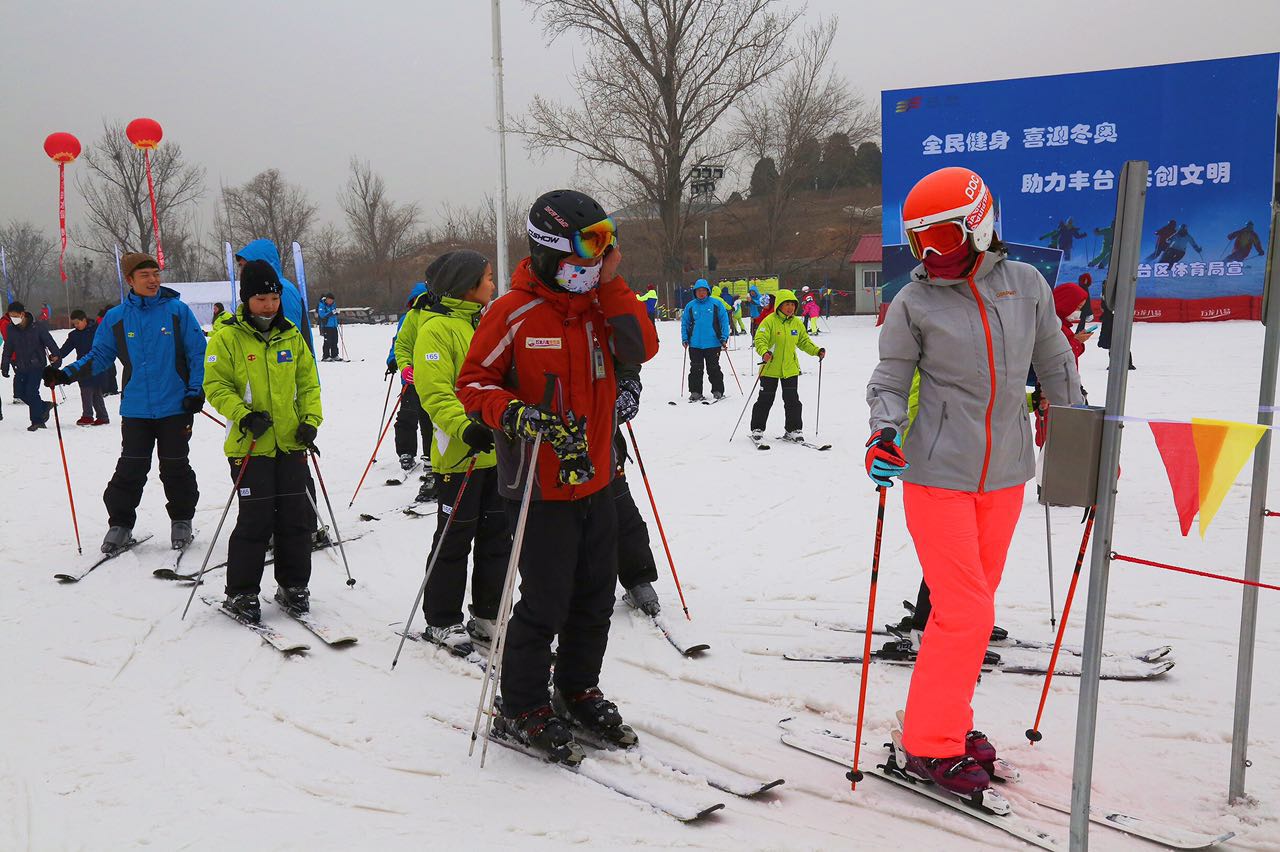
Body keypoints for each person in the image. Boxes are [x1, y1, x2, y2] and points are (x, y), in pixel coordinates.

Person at [865, 165, 1082, 800]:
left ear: (980, 225)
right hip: (936, 475)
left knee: (969, 613)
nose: (933, 254)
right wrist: (883, 432)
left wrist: (1071, 430)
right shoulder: (914, 302)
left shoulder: (1026, 286)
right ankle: (930, 743)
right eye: (920, 241)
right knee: (965, 611)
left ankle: (952, 721)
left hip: (1006, 474)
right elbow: (889, 379)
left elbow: (1055, 360)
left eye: (946, 237)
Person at [457, 189, 658, 759]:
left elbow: (642, 346)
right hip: (539, 488)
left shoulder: (599, 302)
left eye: (603, 253)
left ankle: (577, 689)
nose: (593, 266)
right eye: (584, 255)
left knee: (594, 597)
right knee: (545, 601)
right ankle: (521, 704)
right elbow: (473, 383)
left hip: (597, 476)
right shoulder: (512, 311)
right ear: (548, 251)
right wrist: (512, 413)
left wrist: (612, 282)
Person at [46, 254, 207, 552]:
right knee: (131, 468)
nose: (153, 280)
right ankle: (120, 524)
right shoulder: (117, 317)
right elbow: (100, 356)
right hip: (136, 408)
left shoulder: (177, 311)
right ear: (130, 280)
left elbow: (198, 353)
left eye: (156, 273)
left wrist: (195, 390)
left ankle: (181, 521)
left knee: (175, 467)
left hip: (176, 406)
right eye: (144, 275)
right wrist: (65, 374)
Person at [203, 260, 323, 623]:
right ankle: (241, 592)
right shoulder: (227, 337)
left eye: (273, 298)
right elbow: (215, 386)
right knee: (255, 521)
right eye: (261, 299)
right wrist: (243, 414)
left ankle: (293, 585)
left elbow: (308, 385)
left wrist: (310, 422)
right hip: (250, 446)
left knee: (296, 520)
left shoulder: (291, 335)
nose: (269, 305)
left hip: (290, 445)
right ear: (246, 299)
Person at [410, 250, 510, 654]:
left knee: (496, 539)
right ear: (467, 286)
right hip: (460, 454)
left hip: (497, 454)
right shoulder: (435, 329)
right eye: (487, 278)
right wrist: (465, 428)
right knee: (454, 539)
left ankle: (487, 614)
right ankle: (441, 618)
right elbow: (434, 392)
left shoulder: (484, 323)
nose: (492, 283)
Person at [612, 364, 661, 616]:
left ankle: (638, 579)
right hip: (550, 434)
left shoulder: (597, 324)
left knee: (623, 514)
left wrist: (629, 384)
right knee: (560, 524)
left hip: (602, 435)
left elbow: (627, 350)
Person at [749, 289, 823, 443]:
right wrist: (764, 353)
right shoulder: (769, 321)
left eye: (792, 304)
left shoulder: (796, 322)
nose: (790, 307)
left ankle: (793, 429)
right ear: (779, 305)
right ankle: (757, 428)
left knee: (792, 400)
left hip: (790, 369)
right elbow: (760, 339)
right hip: (770, 368)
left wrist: (816, 351)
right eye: (786, 304)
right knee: (765, 400)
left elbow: (804, 341)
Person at [390, 278, 437, 500]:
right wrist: (399, 363)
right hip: (411, 381)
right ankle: (406, 453)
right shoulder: (409, 318)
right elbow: (399, 343)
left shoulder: (438, 316)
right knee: (408, 417)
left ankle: (431, 459)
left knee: (430, 421)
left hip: (433, 379)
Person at [235, 239, 315, 355]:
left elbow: (288, 336)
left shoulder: (281, 289)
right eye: (240, 266)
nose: (242, 272)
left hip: (286, 365)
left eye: (244, 266)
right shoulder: (264, 288)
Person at [3, 301, 60, 431]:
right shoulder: (11, 329)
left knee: (31, 391)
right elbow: (8, 348)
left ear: (22, 314)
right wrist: (4, 365)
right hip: (21, 365)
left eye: (15, 316)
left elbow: (50, 342)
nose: (13, 319)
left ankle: (37, 421)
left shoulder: (37, 327)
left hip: (36, 365)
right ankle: (43, 406)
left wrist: (56, 356)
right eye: (11, 316)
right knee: (20, 393)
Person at [680, 278, 729, 402]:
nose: (701, 293)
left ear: (708, 291)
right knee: (695, 369)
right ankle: (695, 392)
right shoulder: (690, 306)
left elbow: (724, 321)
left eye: (703, 290)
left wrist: (724, 337)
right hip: (695, 344)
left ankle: (718, 390)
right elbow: (685, 323)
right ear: (695, 292)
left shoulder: (716, 304)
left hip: (713, 343)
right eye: (698, 291)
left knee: (714, 368)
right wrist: (685, 338)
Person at [57, 309, 109, 425]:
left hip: (97, 365)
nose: (76, 325)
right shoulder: (74, 335)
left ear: (84, 320)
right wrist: (57, 356)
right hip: (82, 366)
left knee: (95, 391)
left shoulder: (96, 331)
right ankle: (96, 416)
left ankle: (94, 416)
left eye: (77, 323)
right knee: (86, 390)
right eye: (74, 324)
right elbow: (66, 348)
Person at [96, 307, 120, 394]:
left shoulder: (105, 319)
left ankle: (112, 389)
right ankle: (106, 390)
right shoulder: (103, 321)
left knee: (111, 370)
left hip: (108, 347)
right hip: (103, 348)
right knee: (106, 371)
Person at [317, 293, 341, 361]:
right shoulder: (322, 305)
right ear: (326, 299)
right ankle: (326, 356)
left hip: (334, 325)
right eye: (329, 300)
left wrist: (336, 313)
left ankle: (335, 355)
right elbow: (322, 315)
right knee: (327, 341)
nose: (331, 301)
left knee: (335, 341)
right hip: (326, 326)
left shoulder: (333, 305)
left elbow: (334, 313)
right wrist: (331, 313)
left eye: (332, 300)